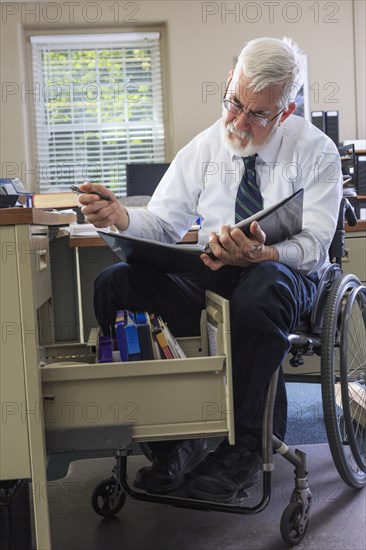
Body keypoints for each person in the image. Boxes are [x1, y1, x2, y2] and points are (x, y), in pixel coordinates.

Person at [79, 37, 342, 503]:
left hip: (286, 278)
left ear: (285, 111)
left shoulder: (317, 152)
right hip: (214, 275)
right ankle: (171, 440)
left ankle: (244, 448)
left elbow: (316, 245)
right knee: (114, 284)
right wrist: (121, 218)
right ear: (228, 83)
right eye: (234, 103)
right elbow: (161, 223)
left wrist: (265, 254)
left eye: (258, 115)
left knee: (263, 286)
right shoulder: (205, 147)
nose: (238, 122)